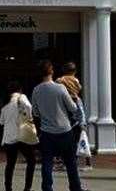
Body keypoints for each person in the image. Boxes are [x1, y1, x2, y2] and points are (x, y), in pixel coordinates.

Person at [32, 60, 85, 191]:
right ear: (51, 71)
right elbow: (72, 108)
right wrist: (77, 101)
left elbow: (35, 112)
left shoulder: (36, 90)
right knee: (70, 162)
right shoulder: (60, 88)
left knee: (47, 162)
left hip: (47, 132)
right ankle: (75, 187)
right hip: (64, 130)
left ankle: (47, 188)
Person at [0, 81, 37, 191]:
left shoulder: (5, 105)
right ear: (19, 90)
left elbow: (1, 122)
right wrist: (29, 117)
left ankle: (8, 188)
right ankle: (27, 187)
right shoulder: (22, 97)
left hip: (9, 138)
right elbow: (28, 106)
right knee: (31, 161)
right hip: (22, 136)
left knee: (10, 164)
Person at [57, 62, 92, 170]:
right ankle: (86, 163)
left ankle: (67, 162)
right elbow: (79, 88)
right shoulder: (76, 80)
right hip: (77, 102)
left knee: (67, 136)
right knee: (82, 136)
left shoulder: (60, 80)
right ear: (75, 71)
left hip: (67, 104)